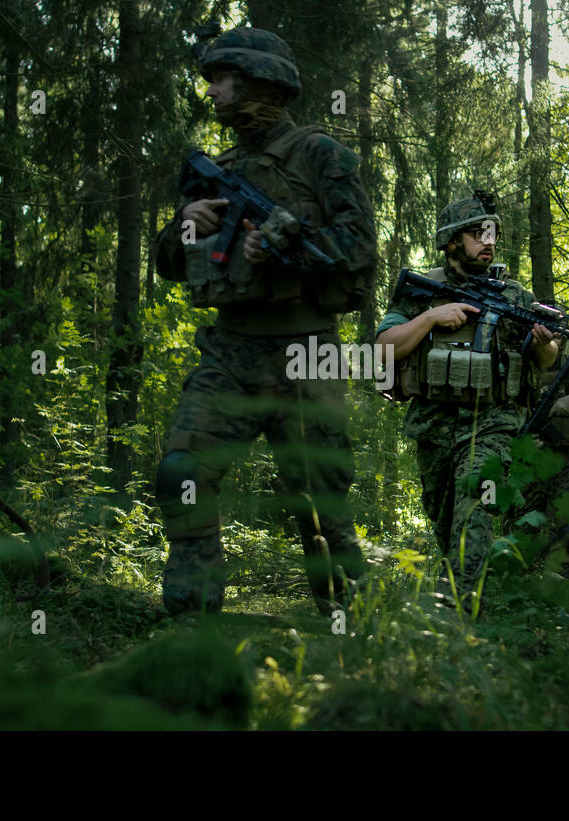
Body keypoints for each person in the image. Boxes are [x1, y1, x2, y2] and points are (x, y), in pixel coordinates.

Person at [151, 27, 375, 617]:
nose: (215, 93)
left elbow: (359, 247)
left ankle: (356, 631)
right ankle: (192, 622)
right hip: (230, 350)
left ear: (259, 81)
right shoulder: (217, 168)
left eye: (224, 79)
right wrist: (184, 227)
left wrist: (284, 242)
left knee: (318, 501)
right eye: (213, 81)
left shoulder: (320, 154)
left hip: (304, 350)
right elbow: (168, 265)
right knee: (182, 472)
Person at [376, 193, 569, 609]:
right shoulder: (421, 292)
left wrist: (544, 346)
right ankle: (473, 621)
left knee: (476, 518)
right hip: (433, 427)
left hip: (494, 426)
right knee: (447, 525)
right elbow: (382, 348)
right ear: (450, 241)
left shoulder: (515, 297)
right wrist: (431, 317)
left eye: (493, 234)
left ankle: (459, 618)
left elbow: (546, 359)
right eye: (477, 233)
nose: (489, 241)